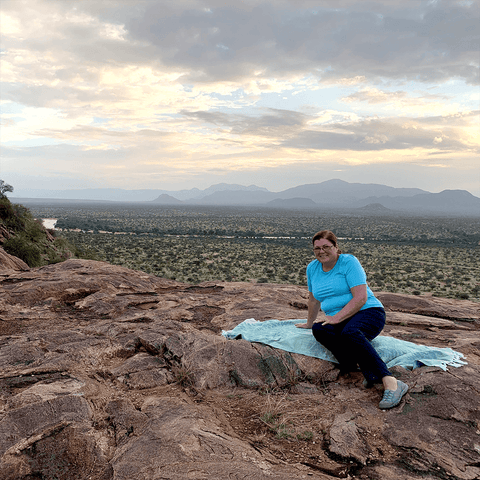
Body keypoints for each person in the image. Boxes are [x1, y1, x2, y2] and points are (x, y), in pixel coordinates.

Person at [295, 230, 408, 409]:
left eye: (326, 247)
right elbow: (313, 299)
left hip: (369, 312)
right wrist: (309, 323)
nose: (321, 251)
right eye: (317, 248)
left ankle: (391, 382)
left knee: (350, 332)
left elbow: (360, 298)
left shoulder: (348, 262)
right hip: (341, 320)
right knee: (319, 330)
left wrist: (337, 317)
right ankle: (358, 368)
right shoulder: (312, 268)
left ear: (336, 247)